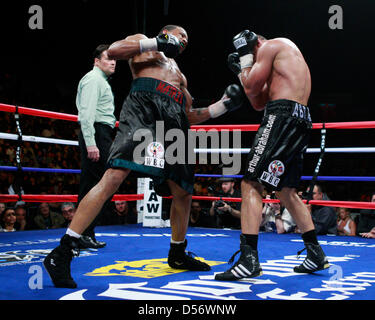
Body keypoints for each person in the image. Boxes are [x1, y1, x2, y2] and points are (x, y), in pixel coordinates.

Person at [43, 24, 244, 288]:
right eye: (181, 34)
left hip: (173, 119)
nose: (184, 40)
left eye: (187, 39)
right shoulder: (143, 43)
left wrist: (222, 107)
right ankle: (63, 252)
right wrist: (156, 42)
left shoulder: (180, 76)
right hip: (144, 107)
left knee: (183, 190)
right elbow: (114, 51)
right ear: (166, 31)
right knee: (114, 175)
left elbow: (189, 114)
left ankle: (178, 253)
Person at [215, 30, 329, 281]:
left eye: (251, 53)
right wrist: (245, 69)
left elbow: (250, 84)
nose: (253, 62)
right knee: (286, 190)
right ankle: (316, 253)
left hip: (282, 116)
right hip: (299, 119)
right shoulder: (282, 56)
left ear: (256, 43)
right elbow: (257, 101)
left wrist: (244, 60)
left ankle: (249, 259)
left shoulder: (269, 46)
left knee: (250, 183)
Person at [75, 44, 117, 249]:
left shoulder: (100, 81)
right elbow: (87, 115)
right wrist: (91, 143)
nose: (113, 62)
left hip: (101, 134)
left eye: (115, 59)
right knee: (99, 184)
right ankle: (81, 233)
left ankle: (84, 233)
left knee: (95, 185)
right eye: (108, 58)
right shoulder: (93, 80)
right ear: (96, 61)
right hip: (96, 134)